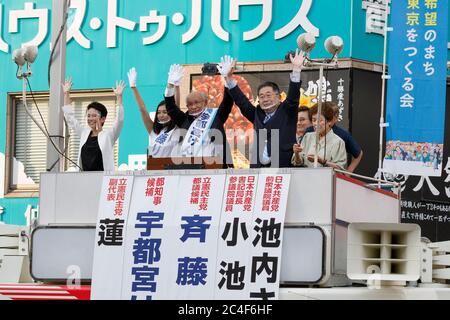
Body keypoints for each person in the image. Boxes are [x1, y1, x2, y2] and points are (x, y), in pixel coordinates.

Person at [224, 49, 304, 168]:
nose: (265, 99)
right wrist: (228, 78)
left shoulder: (287, 110)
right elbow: (242, 102)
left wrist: (296, 70)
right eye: (261, 96)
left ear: (278, 96)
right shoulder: (257, 113)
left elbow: (293, 97)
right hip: (258, 169)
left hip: (282, 167)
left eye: (268, 95)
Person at [163, 56, 235, 168]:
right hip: (188, 168)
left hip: (216, 167)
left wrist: (227, 78)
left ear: (205, 102)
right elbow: (171, 108)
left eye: (197, 102)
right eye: (190, 104)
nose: (194, 106)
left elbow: (227, 101)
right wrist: (170, 85)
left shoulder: (216, 116)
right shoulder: (184, 119)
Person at [62, 78, 125, 171]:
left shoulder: (108, 135)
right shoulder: (84, 133)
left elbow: (119, 120)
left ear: (103, 119)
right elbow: (70, 118)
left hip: (103, 179)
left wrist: (119, 97)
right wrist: (66, 94)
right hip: (85, 179)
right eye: (88, 116)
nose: (90, 119)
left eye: (94, 115)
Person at [127, 67, 181, 158]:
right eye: (159, 112)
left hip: (170, 170)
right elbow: (143, 109)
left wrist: (176, 85)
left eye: (164, 112)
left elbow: (176, 107)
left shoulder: (176, 127)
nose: (161, 115)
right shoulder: (154, 131)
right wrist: (133, 87)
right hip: (152, 170)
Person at [304, 103, 363, 172]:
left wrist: (348, 172)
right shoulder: (310, 131)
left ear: (336, 118)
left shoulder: (343, 134)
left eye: (332, 116)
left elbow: (358, 153)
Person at [291, 102, 347, 169]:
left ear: (329, 121)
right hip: (307, 177)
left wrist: (322, 161)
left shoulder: (338, 142)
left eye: (320, 120)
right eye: (314, 120)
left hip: (327, 178)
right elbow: (298, 163)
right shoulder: (307, 137)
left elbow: (340, 169)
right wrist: (296, 153)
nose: (315, 124)